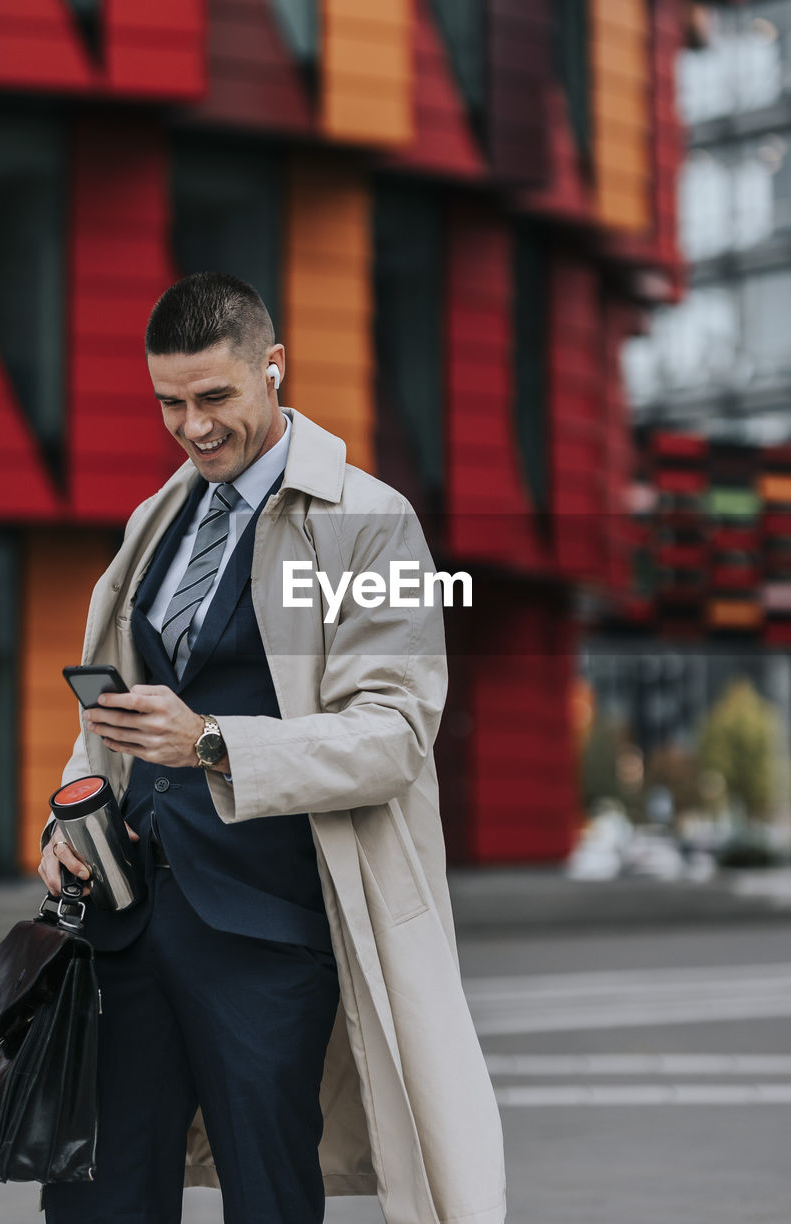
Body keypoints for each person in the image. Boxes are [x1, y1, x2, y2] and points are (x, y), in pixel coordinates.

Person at [38, 272, 506, 1224]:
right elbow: (109, 715)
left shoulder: (368, 525)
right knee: (93, 1199)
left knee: (269, 1198)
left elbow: (396, 732)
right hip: (130, 922)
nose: (194, 427)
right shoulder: (154, 524)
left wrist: (212, 741)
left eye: (215, 398)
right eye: (170, 404)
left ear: (274, 370)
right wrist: (70, 808)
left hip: (269, 930)